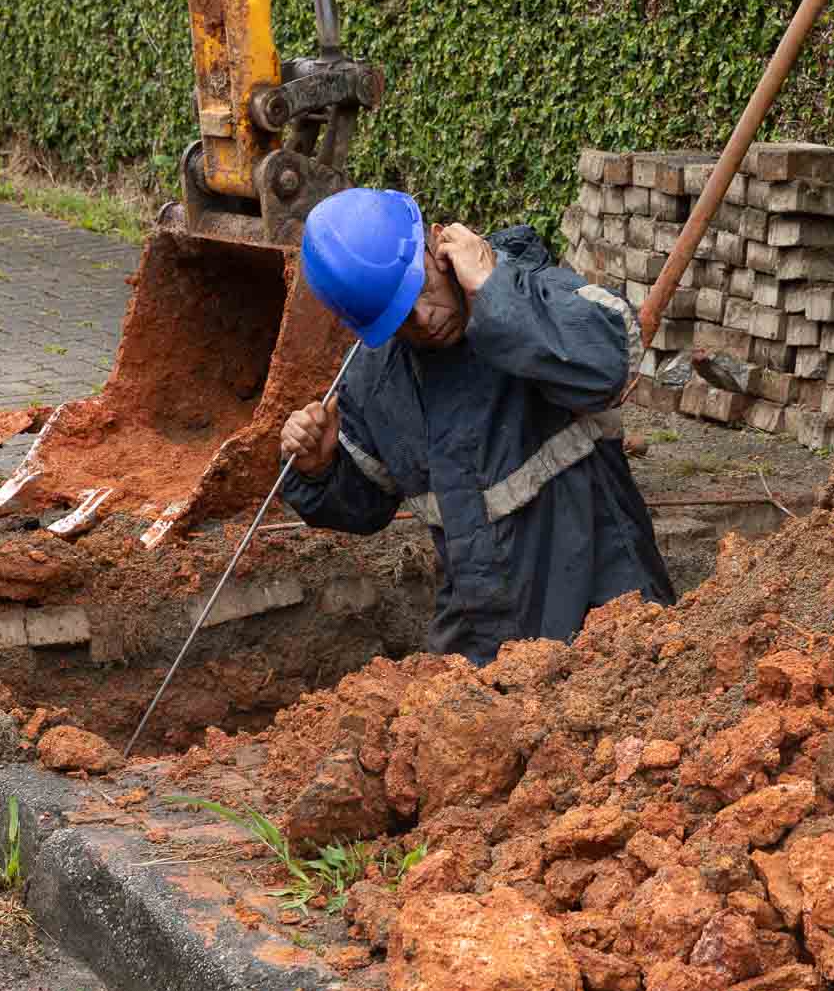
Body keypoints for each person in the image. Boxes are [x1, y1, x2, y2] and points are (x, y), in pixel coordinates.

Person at [280, 188, 675, 666]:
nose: (424, 318)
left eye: (421, 288)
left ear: (438, 243)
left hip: (607, 622)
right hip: (481, 634)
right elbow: (365, 508)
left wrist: (495, 290)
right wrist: (320, 470)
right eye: (399, 317)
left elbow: (608, 365)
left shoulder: (531, 291)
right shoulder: (377, 381)